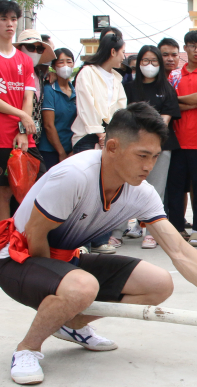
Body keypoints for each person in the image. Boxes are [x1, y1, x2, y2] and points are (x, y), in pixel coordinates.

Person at [0, 103, 197, 385]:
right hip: (16, 260)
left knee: (159, 284)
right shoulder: (75, 176)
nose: (149, 166)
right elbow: (34, 237)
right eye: (142, 155)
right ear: (111, 147)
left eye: (155, 157)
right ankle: (28, 348)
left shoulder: (141, 192)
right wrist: (62, 287)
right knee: (82, 287)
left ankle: (70, 324)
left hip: (67, 263)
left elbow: (180, 252)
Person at [0, 1, 43, 223]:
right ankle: (3, 244)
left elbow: (28, 96)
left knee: (34, 188)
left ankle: (27, 238)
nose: (10, 24)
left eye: (13, 19)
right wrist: (23, 116)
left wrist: (23, 128)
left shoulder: (24, 59)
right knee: (4, 192)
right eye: (4, 19)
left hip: (24, 137)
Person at [110, 46, 182, 248]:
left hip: (160, 147)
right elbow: (123, 117)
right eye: (145, 61)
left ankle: (151, 233)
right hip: (131, 147)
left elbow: (164, 121)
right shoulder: (128, 88)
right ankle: (117, 231)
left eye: (154, 62)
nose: (149, 66)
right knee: (123, 187)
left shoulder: (167, 89)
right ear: (138, 63)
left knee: (155, 190)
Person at [71, 30, 128, 254]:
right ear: (112, 51)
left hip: (111, 138)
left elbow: (121, 108)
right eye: (122, 52)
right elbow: (86, 105)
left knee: (107, 189)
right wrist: (99, 132)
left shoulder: (116, 78)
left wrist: (113, 132)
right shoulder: (87, 72)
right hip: (88, 137)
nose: (124, 57)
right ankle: (79, 240)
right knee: (86, 191)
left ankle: (100, 238)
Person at [166, 30, 197, 248]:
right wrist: (183, 102)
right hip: (175, 139)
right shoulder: (174, 75)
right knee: (175, 187)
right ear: (185, 48)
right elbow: (171, 102)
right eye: (192, 46)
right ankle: (176, 227)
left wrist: (176, 101)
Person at [39, 48, 77, 171]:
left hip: (71, 150)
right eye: (61, 62)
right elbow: (49, 125)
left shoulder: (77, 91)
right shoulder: (49, 90)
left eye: (69, 61)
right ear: (54, 66)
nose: (65, 65)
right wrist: (61, 153)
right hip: (50, 150)